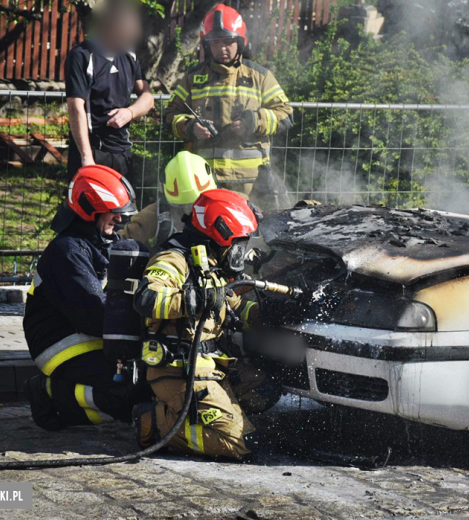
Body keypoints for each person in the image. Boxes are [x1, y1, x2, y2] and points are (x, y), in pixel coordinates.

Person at [131, 189, 284, 460]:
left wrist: (271, 314)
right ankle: (154, 423)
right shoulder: (173, 259)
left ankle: (208, 412)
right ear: (221, 234)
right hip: (179, 369)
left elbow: (233, 306)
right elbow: (147, 298)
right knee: (243, 444)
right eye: (239, 243)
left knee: (266, 389)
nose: (241, 251)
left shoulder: (211, 264)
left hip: (212, 365)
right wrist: (192, 300)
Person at [23, 165, 142, 430]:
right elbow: (95, 315)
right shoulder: (67, 252)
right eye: (115, 214)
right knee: (127, 396)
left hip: (95, 337)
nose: (120, 221)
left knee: (146, 381)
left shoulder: (100, 243)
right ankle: (48, 393)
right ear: (91, 210)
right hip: (62, 344)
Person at [162, 4, 294, 207]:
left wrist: (254, 121)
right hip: (204, 182)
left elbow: (285, 115)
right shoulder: (192, 79)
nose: (221, 48)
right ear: (206, 45)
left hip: (252, 185)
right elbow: (170, 116)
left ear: (240, 42)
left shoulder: (260, 77)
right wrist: (190, 127)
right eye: (215, 42)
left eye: (227, 41)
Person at [65, 0, 155, 178]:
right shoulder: (81, 56)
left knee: (123, 206)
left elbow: (148, 98)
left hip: (122, 153)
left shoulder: (129, 55)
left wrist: (130, 112)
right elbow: (76, 108)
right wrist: (87, 158)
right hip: (93, 152)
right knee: (89, 205)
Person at [120, 151, 217, 253]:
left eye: (198, 206)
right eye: (181, 208)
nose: (190, 214)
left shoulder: (224, 213)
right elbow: (121, 245)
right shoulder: (151, 217)